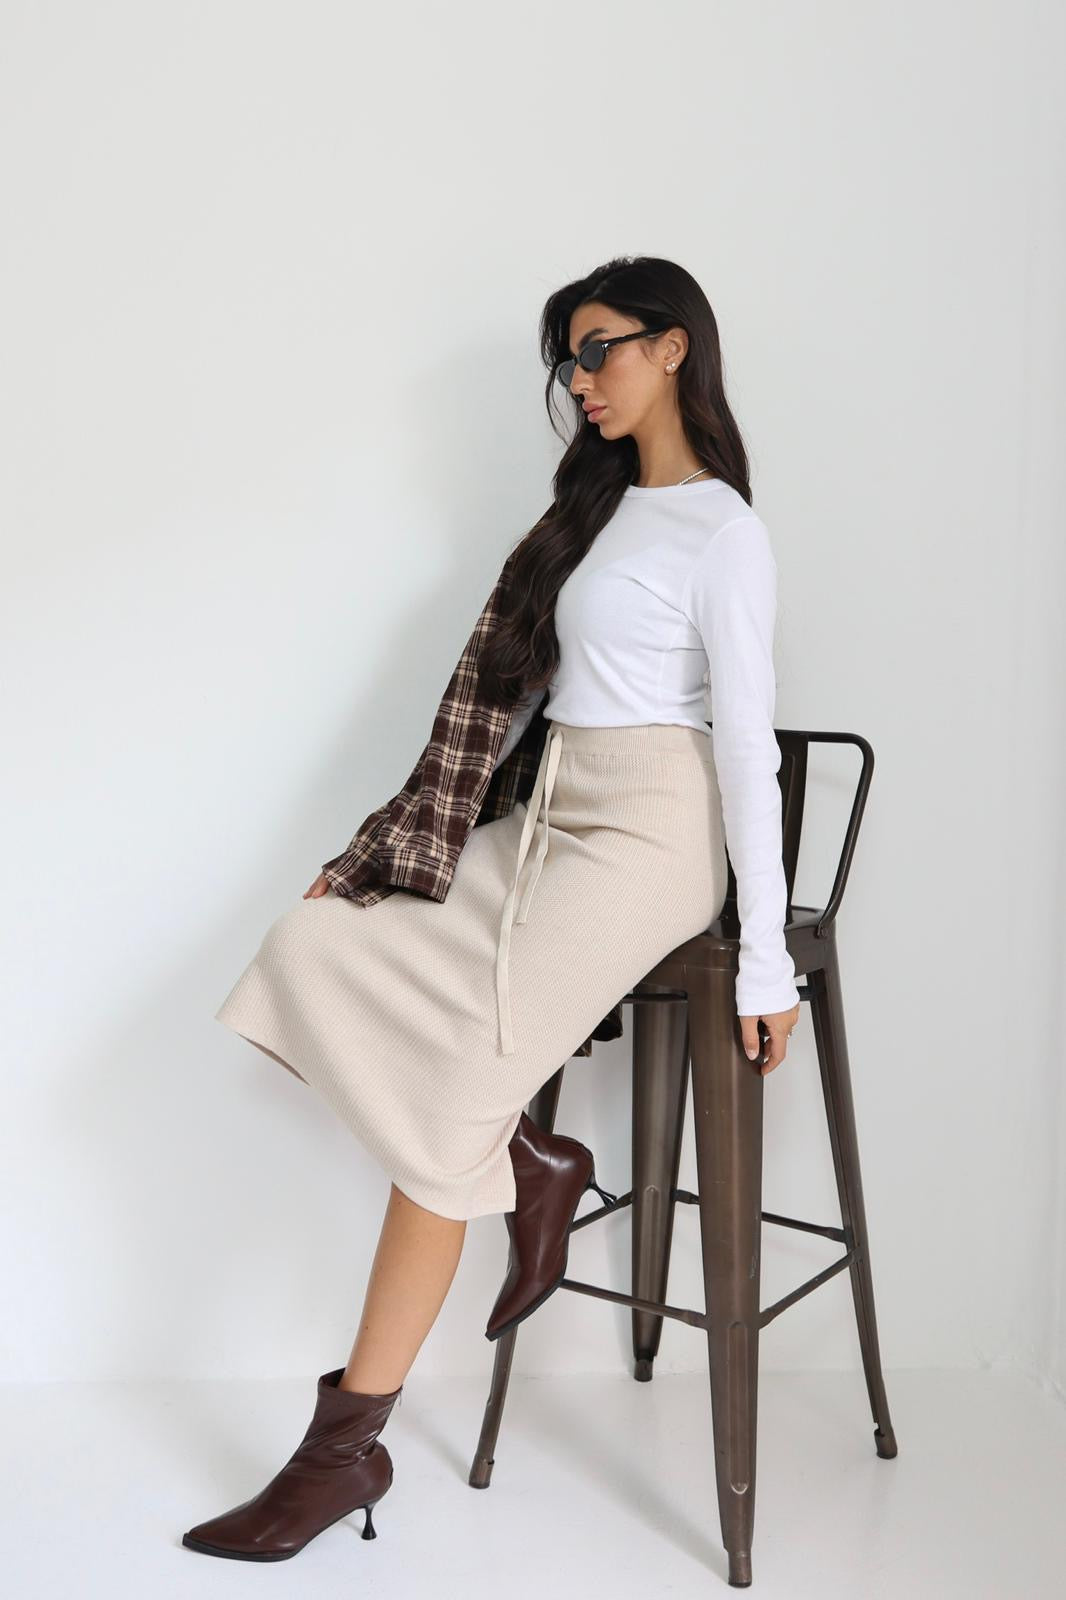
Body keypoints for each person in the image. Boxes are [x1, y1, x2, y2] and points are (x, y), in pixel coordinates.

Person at [182, 254, 801, 1562]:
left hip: (651, 835)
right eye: (568, 361)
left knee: (448, 1104)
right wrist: (376, 854)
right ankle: (529, 1162)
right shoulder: (587, 513)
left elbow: (747, 747)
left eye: (600, 348)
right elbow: (504, 705)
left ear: (674, 346)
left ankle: (341, 1450)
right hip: (547, 815)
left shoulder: (723, 532)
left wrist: (765, 960)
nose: (581, 380)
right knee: (307, 945)